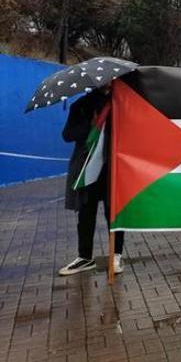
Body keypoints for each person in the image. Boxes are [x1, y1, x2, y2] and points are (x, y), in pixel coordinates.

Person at [58, 86, 125, 276]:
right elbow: (67, 135)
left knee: (114, 213)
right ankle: (84, 257)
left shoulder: (120, 105)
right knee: (86, 213)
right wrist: (90, 125)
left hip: (112, 167)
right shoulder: (81, 105)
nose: (108, 83)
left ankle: (116, 254)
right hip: (87, 167)